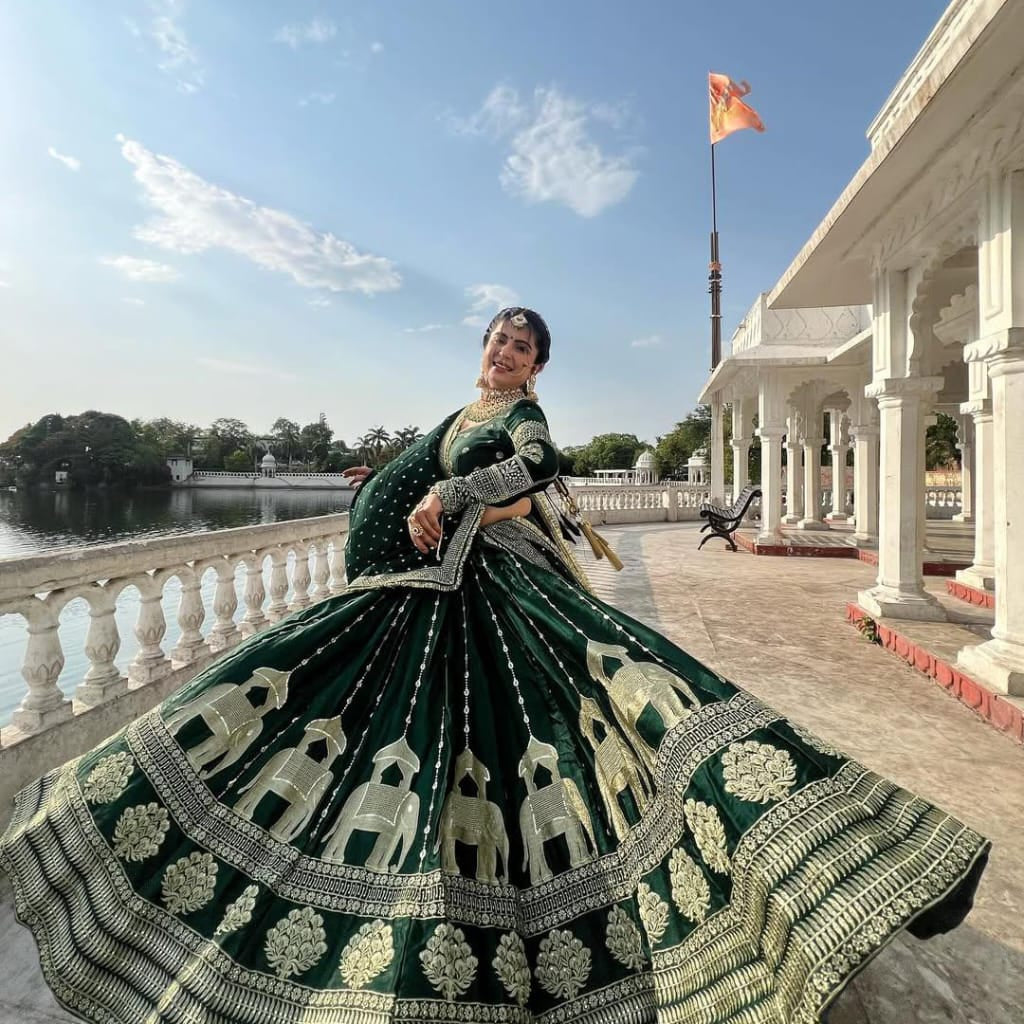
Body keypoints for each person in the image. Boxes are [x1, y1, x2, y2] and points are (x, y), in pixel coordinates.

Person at [1, 308, 988, 1024]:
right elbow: (450, 463)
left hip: (461, 596)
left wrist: (448, 494)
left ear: (537, 366)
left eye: (520, 345)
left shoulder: (517, 419)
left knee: (528, 745)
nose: (503, 350)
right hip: (404, 596)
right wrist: (387, 481)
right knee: (341, 742)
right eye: (496, 338)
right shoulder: (463, 406)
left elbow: (534, 471)